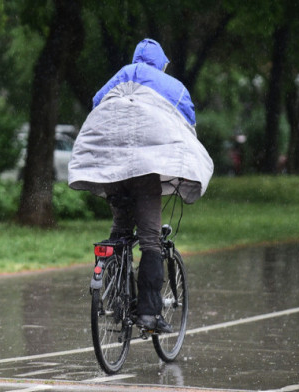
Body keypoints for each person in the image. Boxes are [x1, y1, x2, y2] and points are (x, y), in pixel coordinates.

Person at [68, 38, 213, 333]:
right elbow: (187, 125)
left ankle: (115, 302)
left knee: (120, 232)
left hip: (112, 168)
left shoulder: (118, 76)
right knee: (150, 241)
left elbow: (97, 105)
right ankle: (148, 314)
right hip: (146, 172)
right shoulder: (172, 87)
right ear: (162, 64)